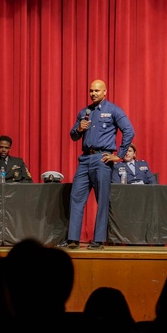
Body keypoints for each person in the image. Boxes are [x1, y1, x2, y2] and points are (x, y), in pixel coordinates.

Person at [66, 79, 135, 249]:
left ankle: (98, 240)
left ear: (105, 92)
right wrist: (79, 129)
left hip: (102, 159)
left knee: (102, 200)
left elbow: (129, 130)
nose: (93, 94)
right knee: (76, 197)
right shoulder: (85, 112)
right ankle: (73, 238)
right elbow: (73, 135)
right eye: (91, 91)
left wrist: (118, 156)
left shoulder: (113, 110)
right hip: (85, 159)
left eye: (97, 91)